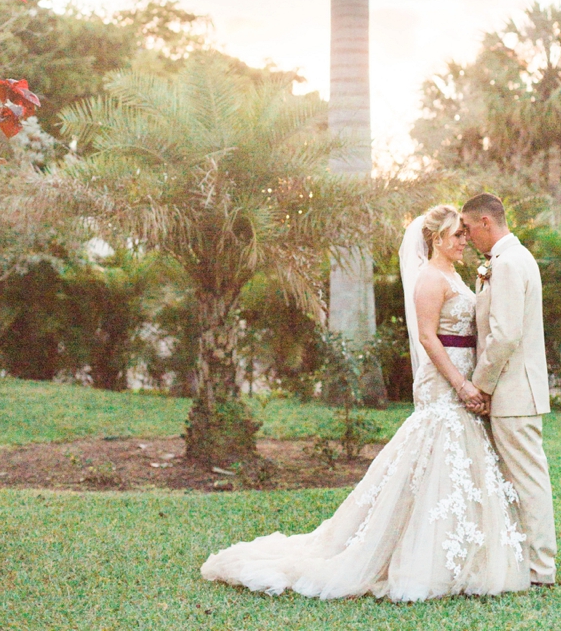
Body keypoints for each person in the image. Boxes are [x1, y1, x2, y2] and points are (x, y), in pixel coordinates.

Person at [200, 204, 529, 601]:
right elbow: (428, 338)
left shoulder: (457, 275)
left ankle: (461, 553)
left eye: (464, 232)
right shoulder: (428, 278)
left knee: (460, 459)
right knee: (435, 452)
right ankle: (413, 556)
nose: (464, 240)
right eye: (456, 234)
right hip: (445, 382)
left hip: (466, 380)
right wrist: (461, 384)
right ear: (435, 240)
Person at [460, 192, 557, 588]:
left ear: (486, 222)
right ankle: (520, 559)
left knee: (529, 481)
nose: (465, 238)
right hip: (511, 392)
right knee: (515, 479)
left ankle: (541, 569)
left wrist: (479, 386)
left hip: (515, 393)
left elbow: (504, 336)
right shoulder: (502, 262)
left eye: (467, 228)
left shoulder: (511, 263)